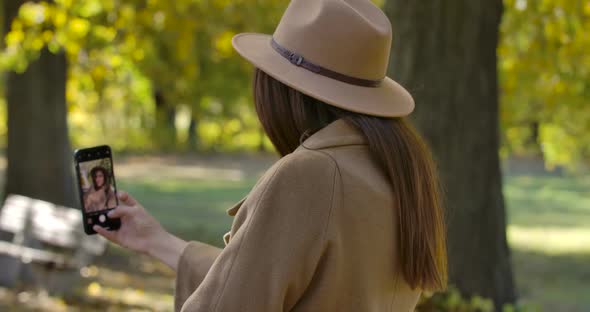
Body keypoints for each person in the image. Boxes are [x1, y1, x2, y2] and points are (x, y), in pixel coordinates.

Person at [94, 0, 448, 311]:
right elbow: (281, 284)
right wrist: (157, 242)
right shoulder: (397, 169)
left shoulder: (311, 174)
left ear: (283, 90)